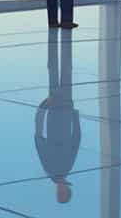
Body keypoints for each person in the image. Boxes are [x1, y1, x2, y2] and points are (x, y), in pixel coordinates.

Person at [36, 28, 80, 205]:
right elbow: (75, 140)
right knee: (65, 71)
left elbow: (39, 138)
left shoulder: (50, 169)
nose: (64, 190)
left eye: (63, 193)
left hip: (55, 112)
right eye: (66, 192)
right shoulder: (66, 169)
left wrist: (43, 107)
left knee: (54, 72)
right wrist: (75, 116)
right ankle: (61, 41)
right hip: (64, 113)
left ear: (59, 192)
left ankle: (54, 41)